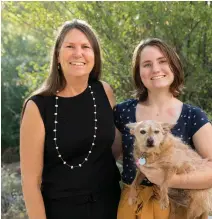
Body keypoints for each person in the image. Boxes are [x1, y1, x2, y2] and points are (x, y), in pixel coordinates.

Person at [20, 19, 121, 219]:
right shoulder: (37, 107)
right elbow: (31, 183)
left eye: (85, 47)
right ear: (58, 55)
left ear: (95, 56)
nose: (78, 53)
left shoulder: (104, 91)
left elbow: (116, 150)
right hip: (62, 211)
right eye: (70, 46)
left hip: (111, 207)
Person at [114, 38, 212, 219]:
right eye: (147, 64)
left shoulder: (193, 115)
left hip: (179, 208)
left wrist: (170, 179)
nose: (156, 69)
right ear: (138, 73)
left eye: (162, 61)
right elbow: (109, 156)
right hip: (133, 206)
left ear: (173, 66)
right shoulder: (123, 112)